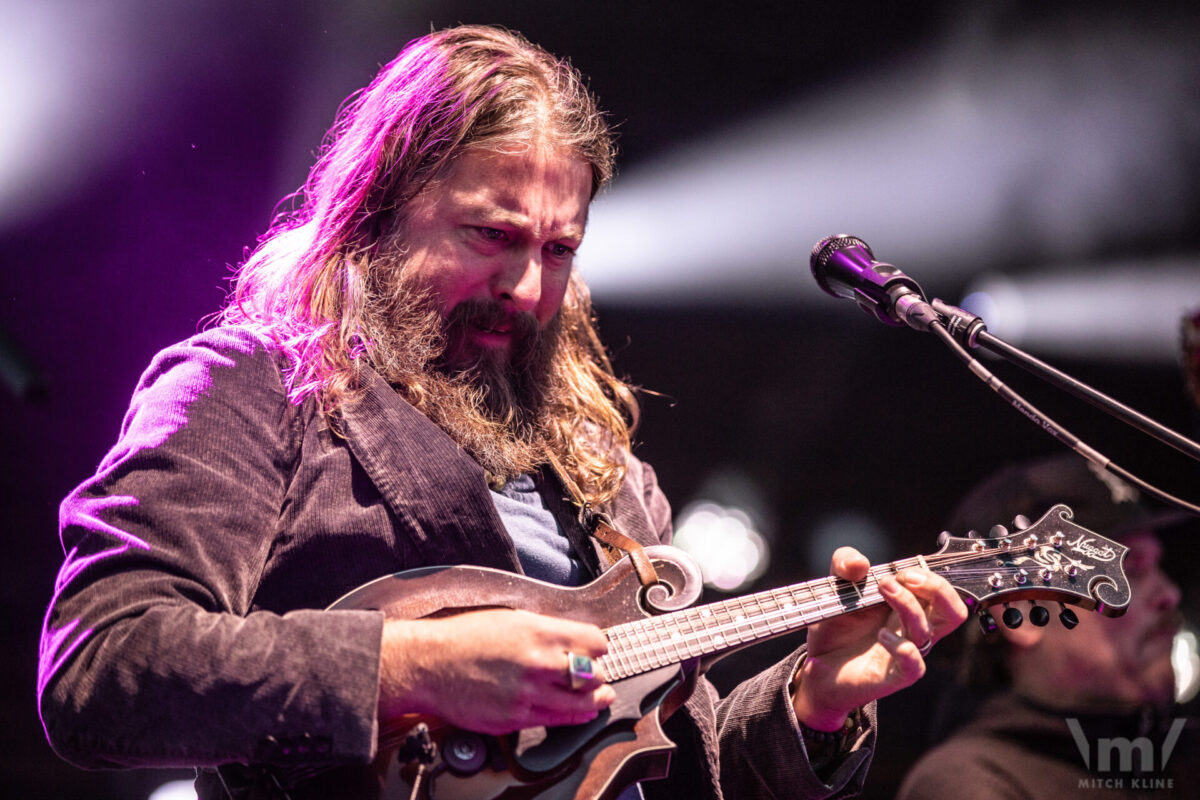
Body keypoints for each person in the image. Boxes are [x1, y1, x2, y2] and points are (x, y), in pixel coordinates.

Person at [38, 25, 966, 800]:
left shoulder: (599, 463)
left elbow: (669, 759)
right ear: (380, 209)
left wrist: (815, 704)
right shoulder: (251, 386)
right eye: (494, 235)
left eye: (560, 249)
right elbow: (101, 665)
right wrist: (408, 666)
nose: (527, 287)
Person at [898, 453, 1198, 799]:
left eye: (1156, 564)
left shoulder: (1180, 758)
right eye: (1127, 571)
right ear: (1021, 613)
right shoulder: (968, 784)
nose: (1169, 593)